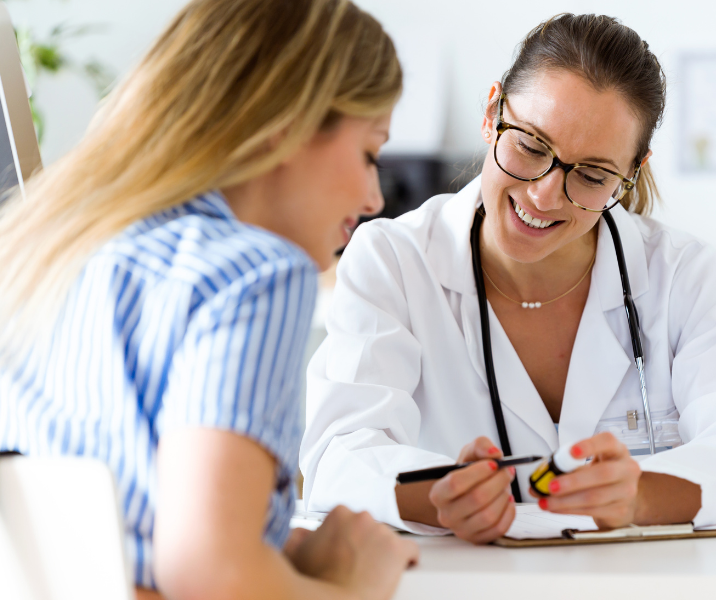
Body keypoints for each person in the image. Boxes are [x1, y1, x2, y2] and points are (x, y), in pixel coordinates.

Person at [299, 13, 716, 543]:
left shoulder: (683, 275)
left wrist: (640, 495)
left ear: (631, 169)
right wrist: (440, 497)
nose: (544, 195)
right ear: (493, 111)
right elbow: (339, 457)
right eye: (530, 146)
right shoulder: (394, 262)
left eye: (591, 175)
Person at [0, 0, 418, 597]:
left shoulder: (46, 250)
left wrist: (268, 549)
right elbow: (211, 573)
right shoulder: (254, 275)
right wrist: (355, 586)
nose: (375, 196)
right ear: (290, 122)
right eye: (369, 153)